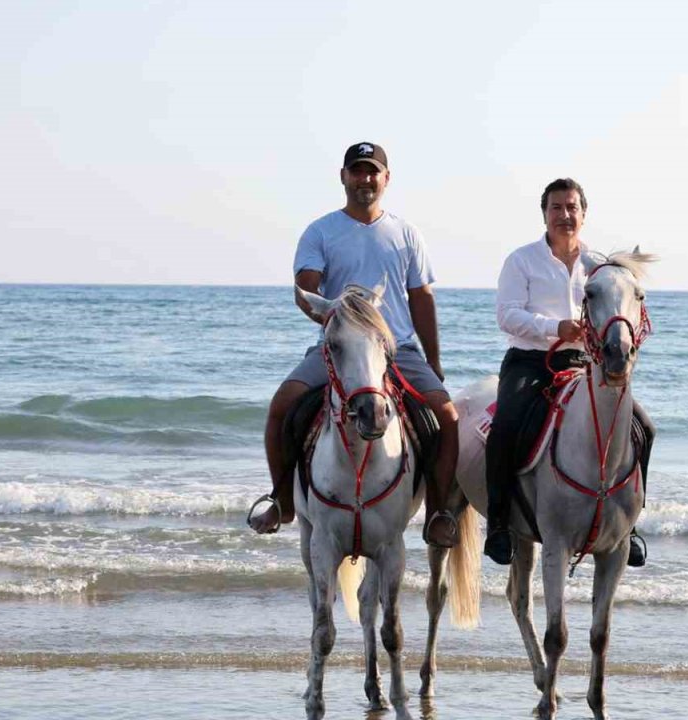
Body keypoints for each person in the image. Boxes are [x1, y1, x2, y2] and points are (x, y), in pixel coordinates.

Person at [248, 142, 460, 548]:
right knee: (281, 406)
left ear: (386, 178)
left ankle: (437, 513)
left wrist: (433, 360)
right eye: (357, 171)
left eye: (373, 172)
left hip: (397, 348)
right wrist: (332, 319)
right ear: (343, 177)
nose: (365, 179)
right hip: (340, 347)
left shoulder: (405, 233)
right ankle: (282, 500)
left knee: (448, 418)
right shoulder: (321, 231)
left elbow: (422, 298)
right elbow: (304, 289)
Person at [483, 178, 654, 567]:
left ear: (583, 213)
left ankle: (630, 523)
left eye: (572, 207)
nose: (565, 215)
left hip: (585, 365)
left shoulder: (600, 268)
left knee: (644, 428)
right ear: (544, 214)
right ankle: (498, 524)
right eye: (556, 208)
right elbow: (506, 315)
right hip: (531, 362)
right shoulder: (521, 260)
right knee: (506, 427)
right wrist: (555, 327)